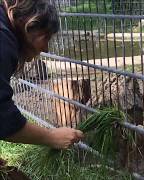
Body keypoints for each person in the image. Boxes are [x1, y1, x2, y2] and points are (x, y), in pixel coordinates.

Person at [0, 0, 84, 150]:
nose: (45, 48)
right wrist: (51, 137)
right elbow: (2, 117)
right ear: (30, 25)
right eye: (45, 38)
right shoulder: (3, 45)